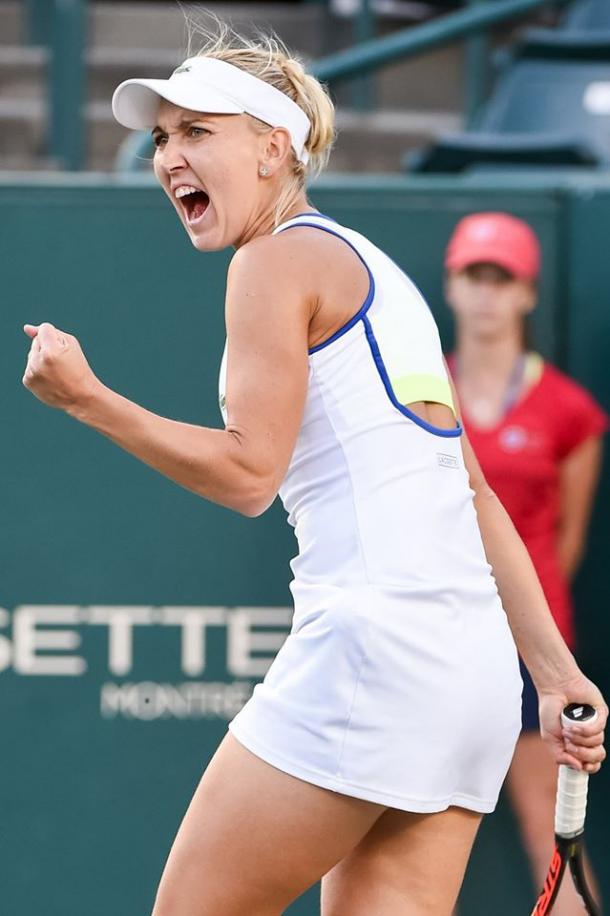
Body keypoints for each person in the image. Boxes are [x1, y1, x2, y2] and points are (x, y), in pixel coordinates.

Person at [22, 24, 606, 916]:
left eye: (196, 132)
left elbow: (251, 475)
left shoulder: (275, 258)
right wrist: (554, 671)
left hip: (373, 651)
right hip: (470, 680)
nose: (170, 155)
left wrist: (87, 399)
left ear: (274, 148)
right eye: (162, 138)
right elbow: (473, 492)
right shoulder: (386, 276)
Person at [445, 211, 608, 914]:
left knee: (550, 824)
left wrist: (526, 629)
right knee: (392, 820)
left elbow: (565, 544)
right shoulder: (420, 393)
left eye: (501, 278)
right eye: (474, 276)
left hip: (528, 649)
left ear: (528, 294)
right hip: (432, 633)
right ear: (451, 286)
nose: (487, 294)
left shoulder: (570, 412)